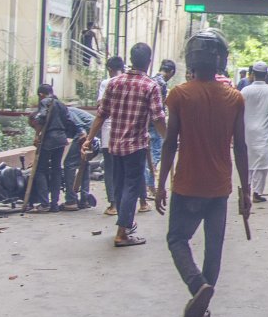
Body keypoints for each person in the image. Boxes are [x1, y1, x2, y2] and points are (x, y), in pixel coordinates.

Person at [156, 28, 250, 317]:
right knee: (214, 245)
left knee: (176, 238)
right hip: (219, 187)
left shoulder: (179, 95)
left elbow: (170, 143)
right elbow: (241, 147)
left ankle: (198, 287)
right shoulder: (235, 99)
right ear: (221, 60)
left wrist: (159, 185)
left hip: (186, 185)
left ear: (191, 59)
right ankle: (204, 294)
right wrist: (246, 190)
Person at [83, 42, 166, 247]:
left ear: (130, 59)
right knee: (131, 186)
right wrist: (170, 140)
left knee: (120, 186)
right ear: (148, 62)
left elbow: (101, 114)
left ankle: (124, 224)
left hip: (114, 144)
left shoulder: (114, 82)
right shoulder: (150, 86)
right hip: (135, 146)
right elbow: (158, 118)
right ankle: (122, 232)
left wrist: (88, 138)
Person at [27, 84, 82, 212]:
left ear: (41, 94)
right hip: (61, 139)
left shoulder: (45, 101)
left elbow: (40, 118)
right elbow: (69, 122)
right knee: (56, 170)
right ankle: (54, 203)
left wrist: (37, 136)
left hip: (49, 139)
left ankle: (44, 203)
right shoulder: (62, 105)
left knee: (41, 170)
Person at [241, 61, 268, 203]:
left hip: (246, 130)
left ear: (252, 74)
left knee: (248, 161)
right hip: (265, 131)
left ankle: (246, 190)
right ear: (266, 75)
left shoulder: (244, 91)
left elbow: (238, 111)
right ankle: (257, 192)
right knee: (263, 162)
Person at [97, 56, 125, 215]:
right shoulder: (130, 81)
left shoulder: (107, 83)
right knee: (124, 168)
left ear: (109, 69)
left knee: (110, 168)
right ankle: (127, 202)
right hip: (126, 132)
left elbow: (100, 106)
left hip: (109, 132)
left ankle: (113, 204)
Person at [148, 60, 177, 199]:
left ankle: (148, 184)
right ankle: (150, 184)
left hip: (146, 122)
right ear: (171, 72)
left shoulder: (150, 79)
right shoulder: (162, 84)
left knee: (149, 155)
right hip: (155, 123)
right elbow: (159, 108)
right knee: (156, 153)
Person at [62, 105, 98, 211]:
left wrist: (84, 137)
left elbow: (80, 127)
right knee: (84, 163)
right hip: (92, 132)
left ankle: (71, 200)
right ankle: (85, 199)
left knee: (69, 164)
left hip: (86, 132)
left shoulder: (65, 110)